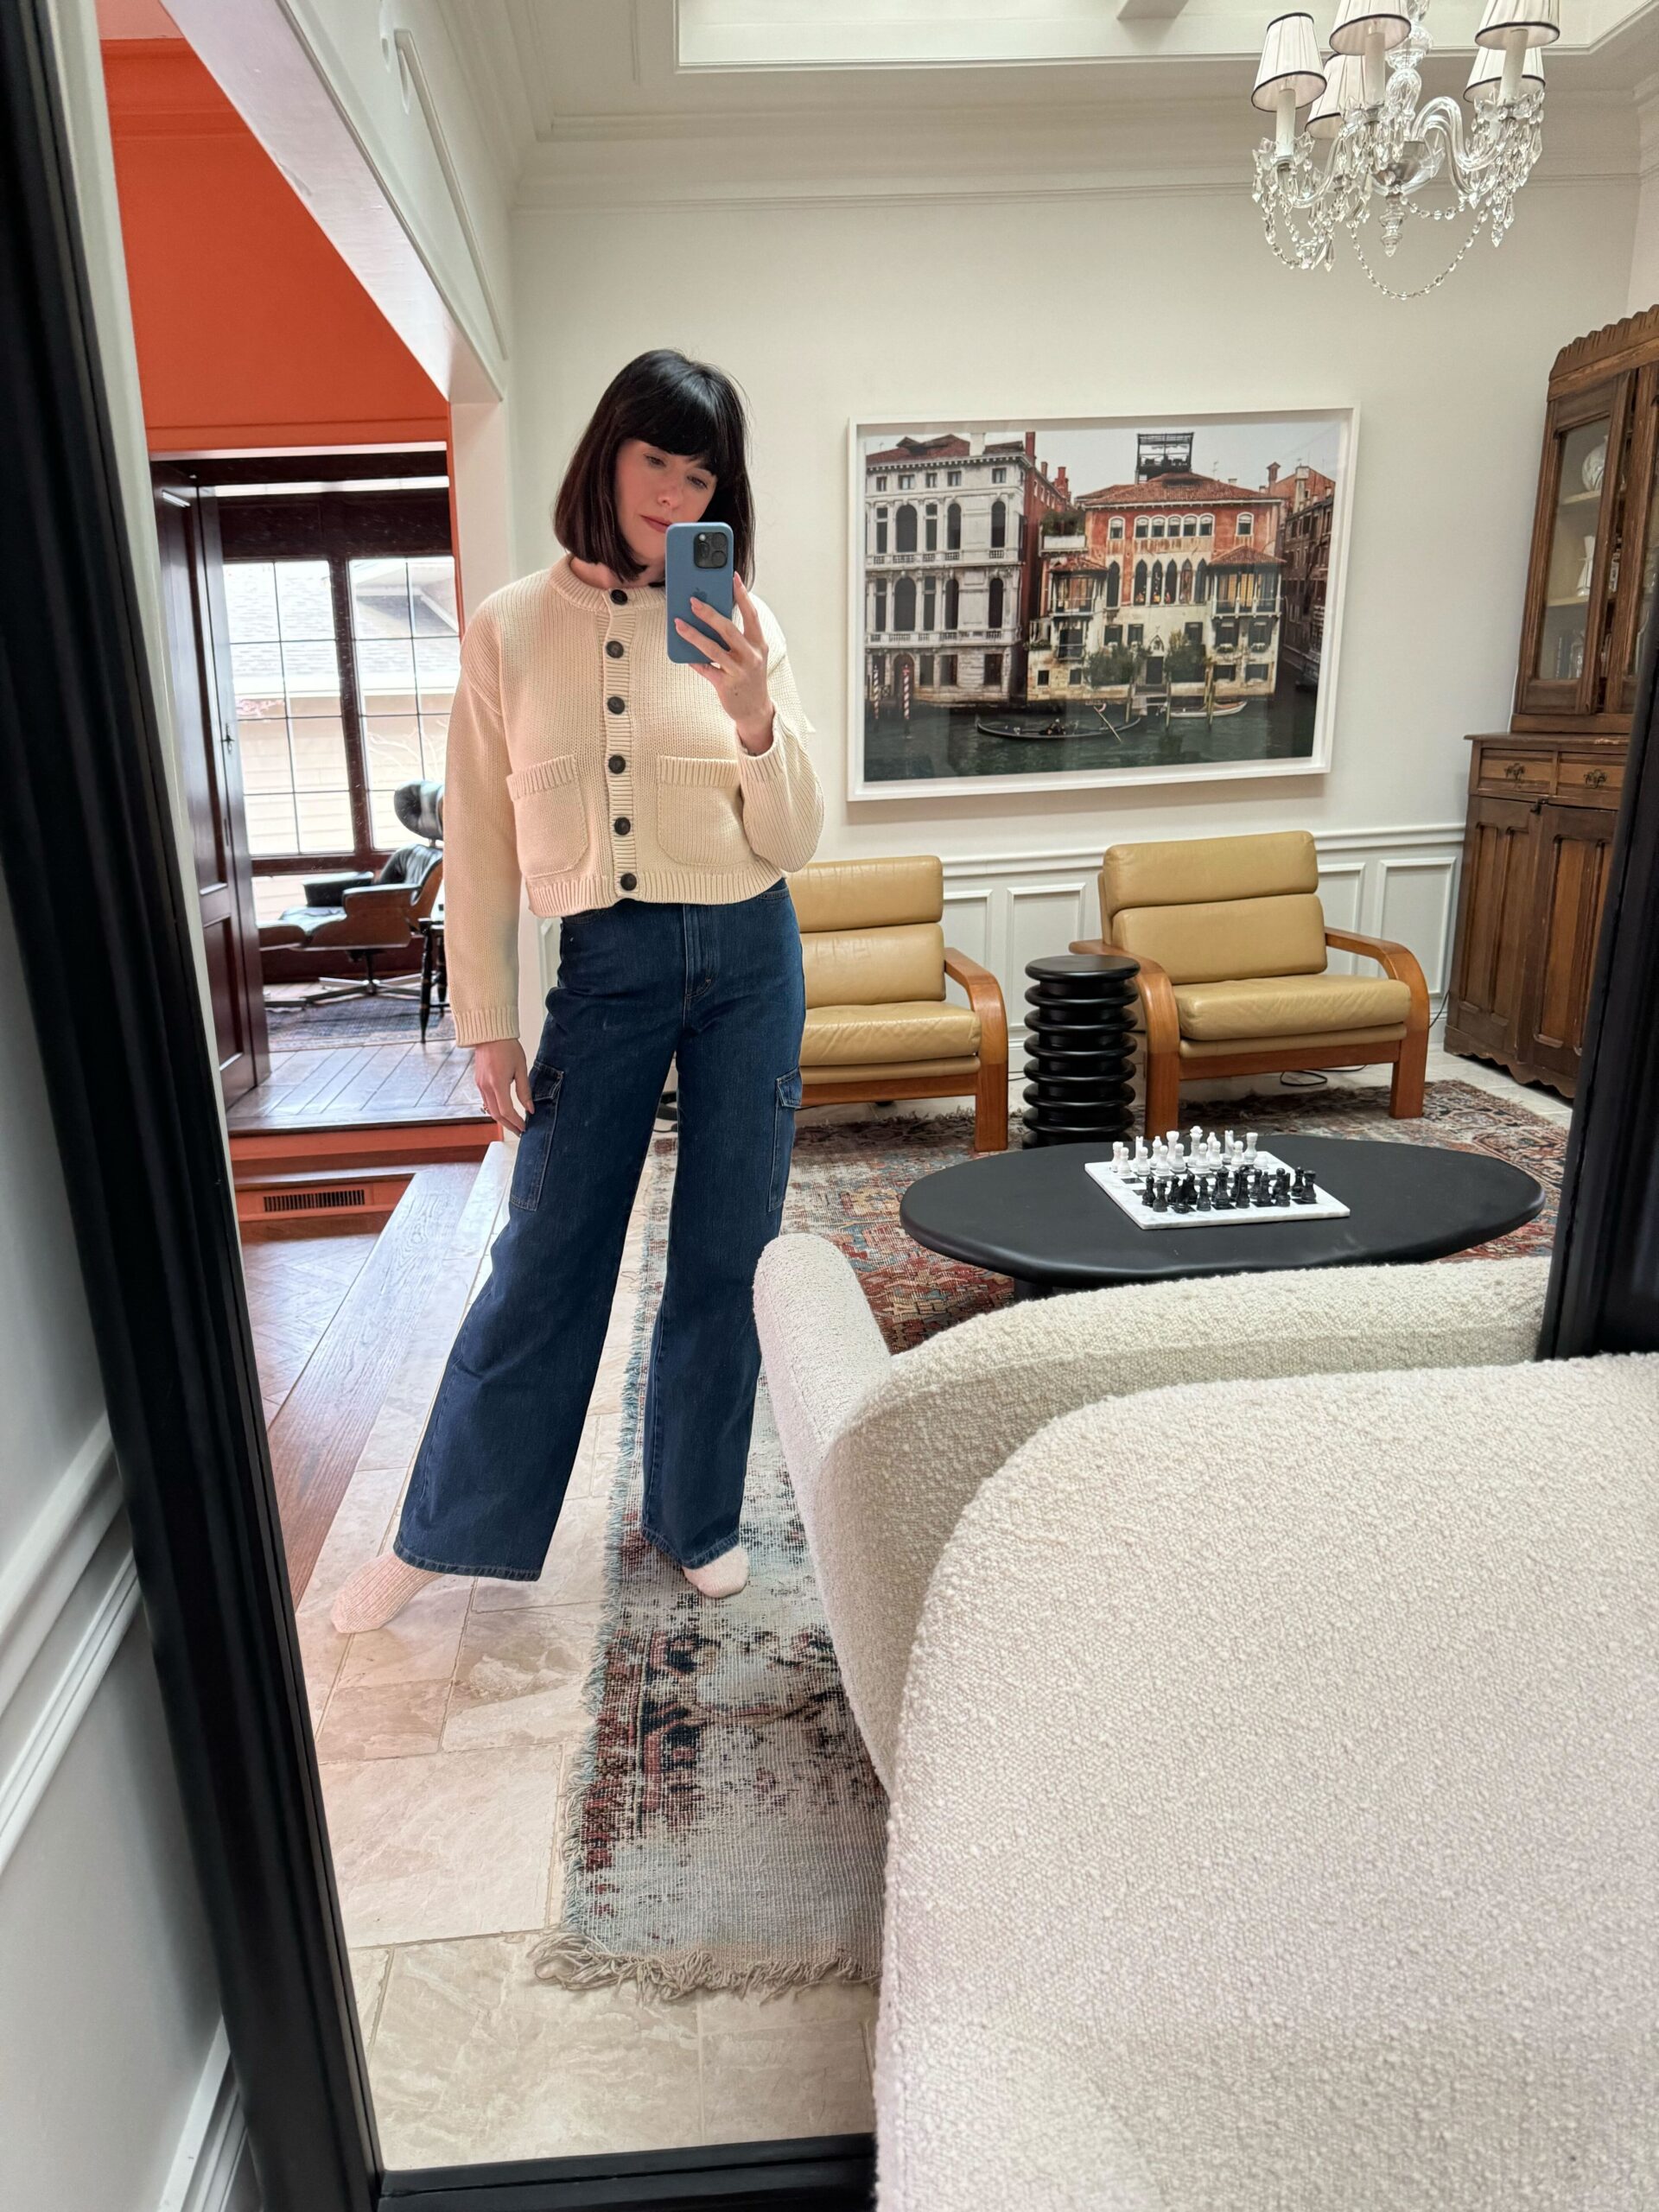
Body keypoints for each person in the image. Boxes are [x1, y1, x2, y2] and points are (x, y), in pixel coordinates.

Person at [330, 350, 823, 1633]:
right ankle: (448, 1530)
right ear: (607, 456)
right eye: (655, 456)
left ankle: (696, 1513)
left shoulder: (742, 623)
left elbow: (799, 839)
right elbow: (483, 844)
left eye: (700, 469)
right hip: (604, 970)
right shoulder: (507, 627)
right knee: (547, 1250)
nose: (673, 487)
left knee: (726, 1252)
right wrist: (487, 1019)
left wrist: (757, 715)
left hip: (749, 956)